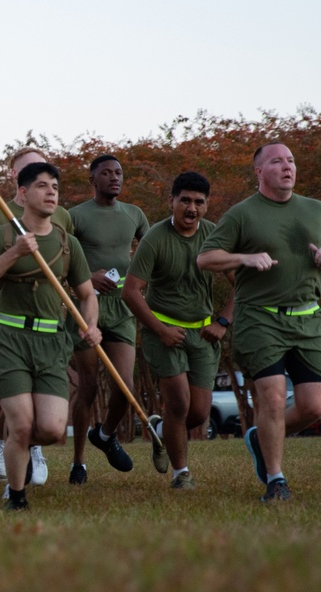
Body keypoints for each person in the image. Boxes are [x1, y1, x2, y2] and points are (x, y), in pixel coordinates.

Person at [197, 142, 321, 502]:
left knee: (314, 405)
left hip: (308, 317)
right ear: (259, 172)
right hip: (260, 319)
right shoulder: (242, 215)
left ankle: (257, 438)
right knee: (272, 397)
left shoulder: (317, 210)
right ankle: (276, 480)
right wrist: (243, 258)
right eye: (277, 161)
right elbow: (205, 258)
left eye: (291, 161)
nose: (287, 167)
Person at [0, 162, 101, 509]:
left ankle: (13, 444)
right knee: (23, 424)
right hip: (9, 339)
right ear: (23, 194)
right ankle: (16, 496)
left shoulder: (67, 242)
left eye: (54, 186)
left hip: (51, 342)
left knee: (53, 430)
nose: (51, 192)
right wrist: (16, 252)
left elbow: (86, 294)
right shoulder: (3, 235)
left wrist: (91, 324)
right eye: (42, 186)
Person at [123, 172, 235, 489]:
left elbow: (244, 284)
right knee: (179, 403)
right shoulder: (155, 239)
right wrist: (160, 330)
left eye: (199, 202)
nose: (191, 208)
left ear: (207, 205)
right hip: (164, 332)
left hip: (203, 334)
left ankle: (161, 433)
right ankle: (180, 473)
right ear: (171, 201)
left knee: (198, 413)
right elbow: (131, 291)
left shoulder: (215, 238)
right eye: (184, 200)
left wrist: (223, 321)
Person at [69, 154, 150, 484]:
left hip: (122, 308)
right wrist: (88, 276)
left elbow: (152, 251)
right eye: (106, 173)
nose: (114, 178)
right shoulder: (75, 216)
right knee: (87, 388)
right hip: (87, 307)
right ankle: (78, 462)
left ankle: (105, 434)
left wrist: (140, 283)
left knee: (125, 385)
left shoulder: (135, 214)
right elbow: (60, 259)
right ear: (93, 180)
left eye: (118, 173)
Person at [0, 146, 74, 237]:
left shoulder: (62, 215)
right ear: (14, 173)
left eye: (43, 168)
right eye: (31, 167)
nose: (39, 173)